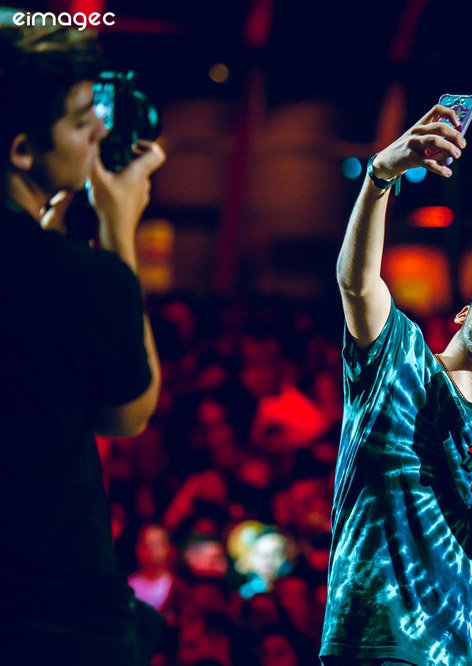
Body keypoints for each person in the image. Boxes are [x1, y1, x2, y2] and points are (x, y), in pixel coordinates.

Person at [319, 103, 472, 664]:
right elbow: (356, 283)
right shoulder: (399, 354)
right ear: (464, 312)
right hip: (383, 641)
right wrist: (381, 175)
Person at [0, 13, 165, 664]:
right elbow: (127, 414)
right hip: (48, 614)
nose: (98, 127)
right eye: (78, 120)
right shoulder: (82, 278)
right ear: (21, 150)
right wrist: (117, 228)